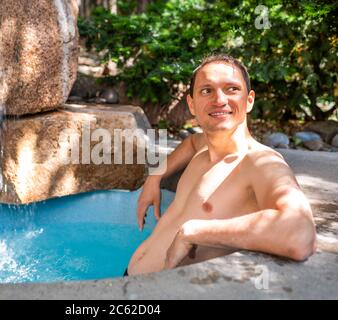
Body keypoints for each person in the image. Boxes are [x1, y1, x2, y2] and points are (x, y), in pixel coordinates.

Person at [126, 54, 316, 276]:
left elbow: (299, 235)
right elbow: (189, 143)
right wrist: (155, 177)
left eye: (231, 89)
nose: (219, 100)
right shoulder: (204, 147)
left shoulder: (261, 163)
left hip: (166, 290)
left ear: (249, 100)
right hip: (131, 278)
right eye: (206, 90)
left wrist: (194, 231)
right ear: (192, 104)